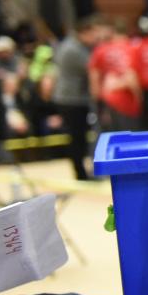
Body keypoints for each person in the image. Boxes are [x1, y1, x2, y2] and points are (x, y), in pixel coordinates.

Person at [50, 18, 100, 181]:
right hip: (71, 100)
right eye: (93, 33)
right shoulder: (73, 49)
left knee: (79, 136)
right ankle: (80, 174)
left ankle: (81, 171)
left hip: (75, 98)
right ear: (84, 32)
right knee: (77, 137)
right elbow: (92, 67)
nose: (96, 37)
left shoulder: (75, 45)